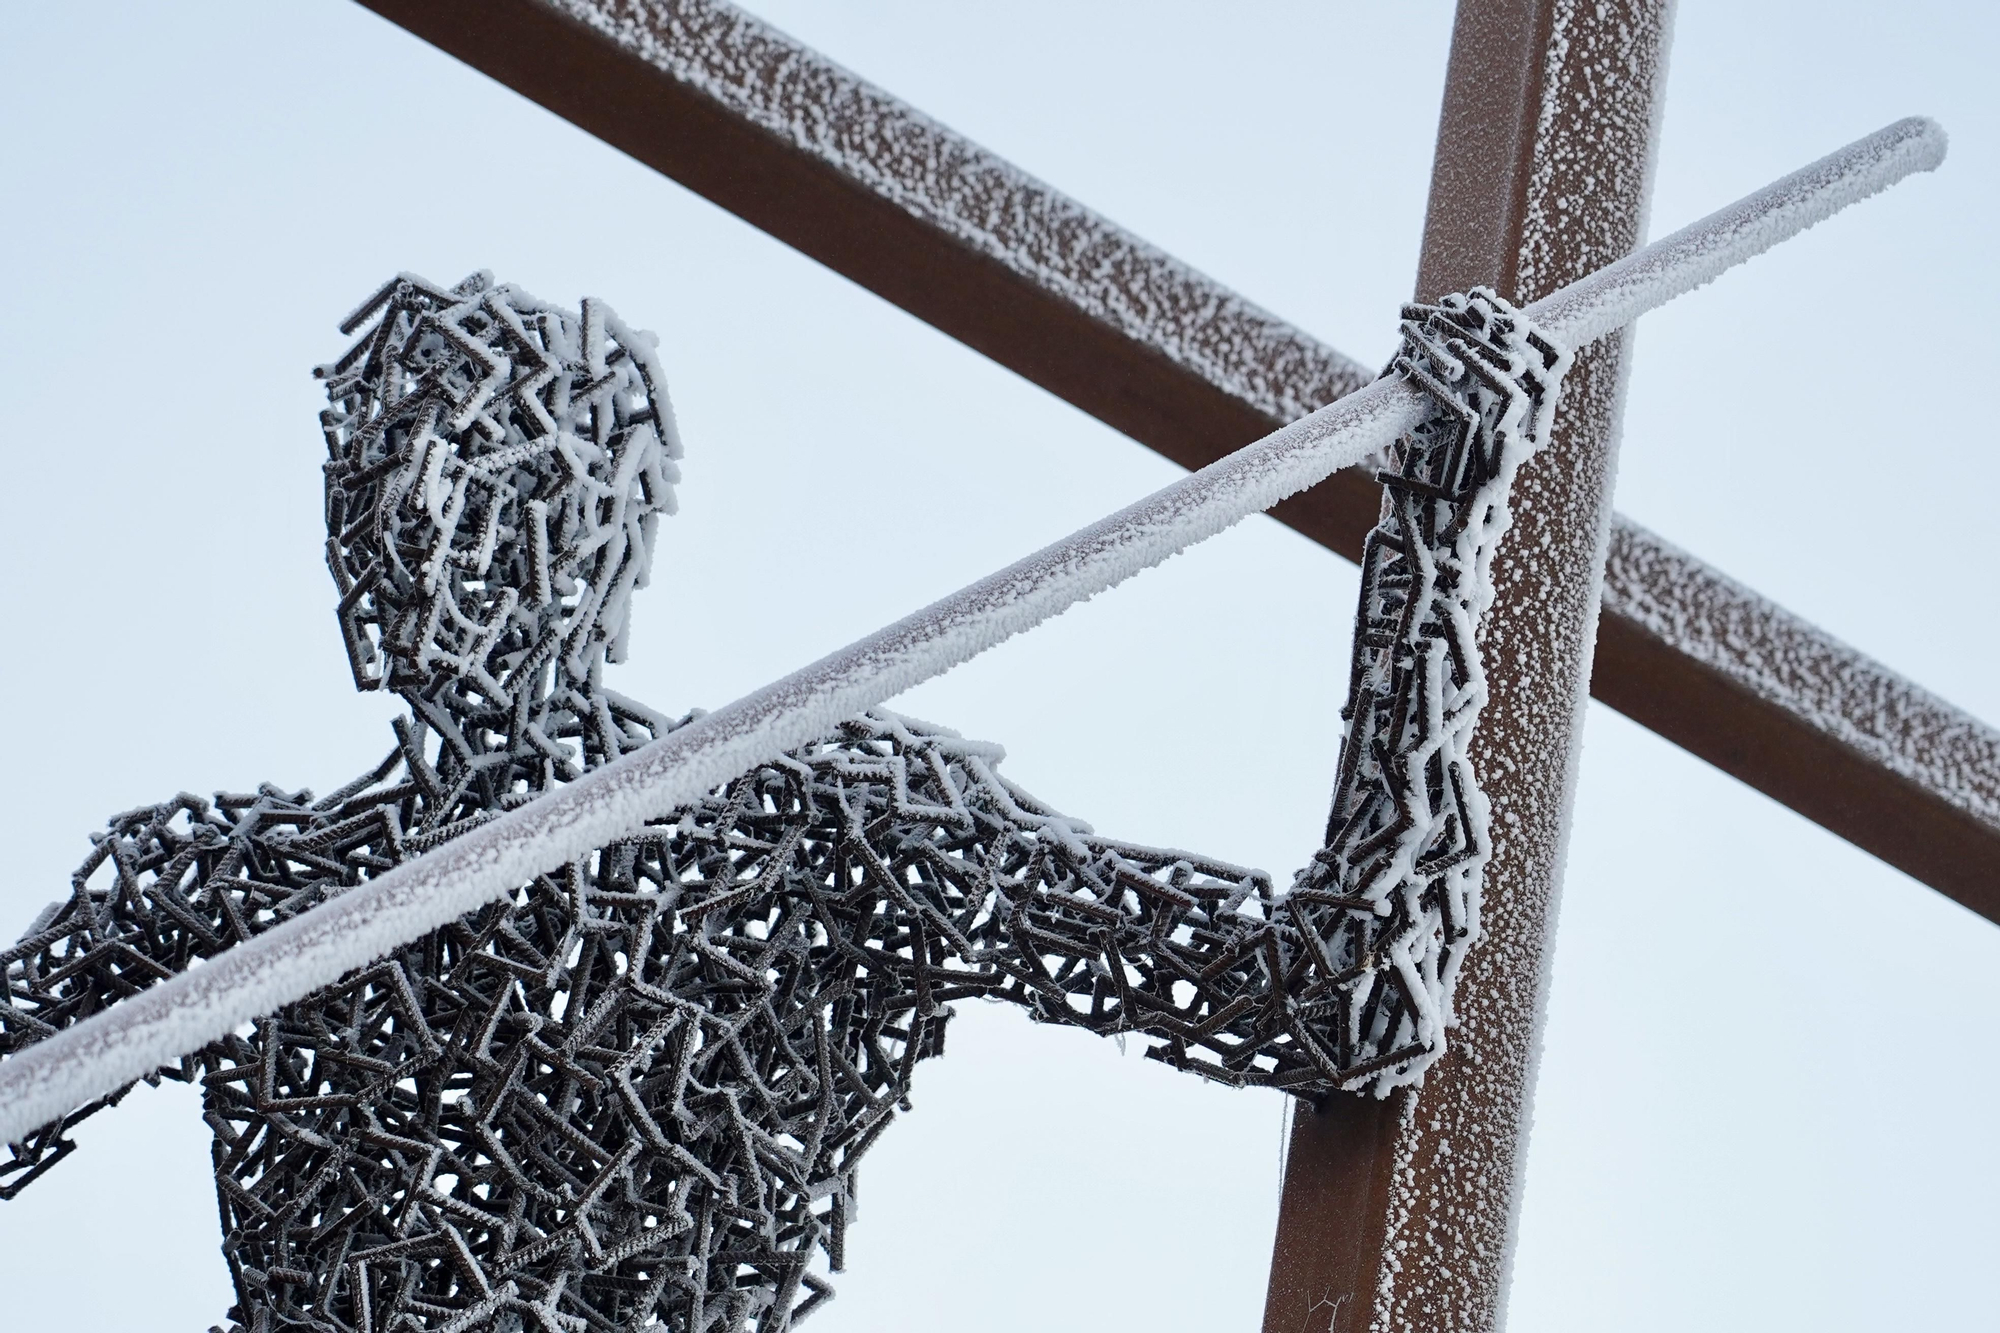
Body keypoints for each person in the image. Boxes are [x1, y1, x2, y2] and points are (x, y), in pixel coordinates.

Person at [0, 273, 1463, 1333]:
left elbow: (1331, 1001)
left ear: (604, 531)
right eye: (387, 493)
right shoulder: (232, 896)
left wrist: (1438, 558)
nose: (427, 546)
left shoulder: (817, 827)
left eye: (487, 497)